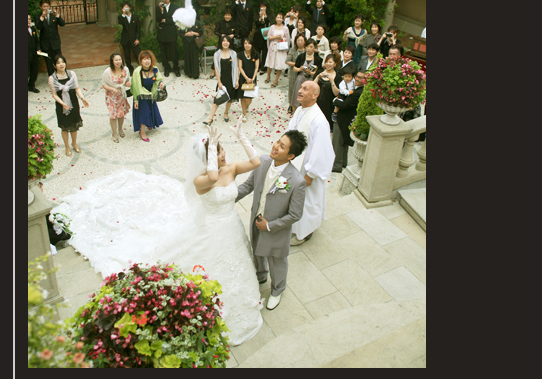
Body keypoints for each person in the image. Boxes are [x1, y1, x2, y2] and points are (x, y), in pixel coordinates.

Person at [48, 120, 267, 346]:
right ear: (206, 157)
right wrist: (212, 148)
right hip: (211, 228)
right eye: (218, 152)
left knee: (235, 264)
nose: (223, 155)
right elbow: (212, 178)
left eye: (221, 150)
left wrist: (242, 136)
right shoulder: (200, 180)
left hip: (230, 225)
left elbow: (256, 161)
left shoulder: (230, 169)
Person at [235, 130, 308, 311]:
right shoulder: (262, 161)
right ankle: (260, 276)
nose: (275, 146)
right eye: (277, 141)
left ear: (291, 156)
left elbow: (295, 214)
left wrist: (269, 226)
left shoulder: (297, 181)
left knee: (277, 260)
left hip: (275, 229)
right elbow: (248, 186)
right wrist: (227, 197)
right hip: (256, 220)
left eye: (282, 146)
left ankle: (277, 289)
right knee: (257, 250)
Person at [287, 81, 335, 245]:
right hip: (295, 164)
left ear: (315, 95)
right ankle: (294, 227)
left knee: (307, 202)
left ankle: (305, 233)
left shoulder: (319, 121)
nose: (300, 91)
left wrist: (311, 174)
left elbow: (322, 150)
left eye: (305, 89)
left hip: (307, 170)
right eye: (300, 87)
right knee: (296, 199)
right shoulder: (300, 110)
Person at [48, 54, 89, 156]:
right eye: (58, 63)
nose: (61, 64)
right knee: (65, 127)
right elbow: (54, 94)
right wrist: (62, 103)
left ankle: (74, 143)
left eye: (63, 62)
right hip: (61, 106)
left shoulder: (72, 74)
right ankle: (67, 146)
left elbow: (76, 88)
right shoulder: (52, 78)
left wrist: (83, 98)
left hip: (73, 103)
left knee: (74, 124)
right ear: (54, 65)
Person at [332, 70, 366, 173]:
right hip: (347, 120)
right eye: (357, 76)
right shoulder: (357, 89)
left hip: (344, 120)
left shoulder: (358, 92)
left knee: (337, 143)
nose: (357, 79)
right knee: (343, 142)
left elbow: (344, 105)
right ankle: (342, 163)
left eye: (360, 78)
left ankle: (336, 165)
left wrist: (335, 101)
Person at [131, 50, 164, 142]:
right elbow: (134, 87)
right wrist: (136, 101)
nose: (147, 61)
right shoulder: (137, 72)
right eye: (144, 59)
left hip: (151, 95)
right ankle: (142, 132)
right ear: (141, 61)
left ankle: (149, 123)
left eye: (148, 59)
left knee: (150, 110)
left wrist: (160, 83)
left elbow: (159, 79)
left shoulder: (154, 69)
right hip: (141, 97)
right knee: (144, 113)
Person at [206, 35, 239, 125]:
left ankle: (226, 113)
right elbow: (216, 68)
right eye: (223, 41)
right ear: (221, 42)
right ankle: (210, 118)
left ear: (230, 43)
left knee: (229, 98)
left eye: (227, 41)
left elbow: (236, 67)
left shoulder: (234, 53)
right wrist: (219, 82)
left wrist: (237, 80)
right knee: (217, 98)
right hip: (222, 79)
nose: (225, 42)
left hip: (231, 79)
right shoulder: (217, 54)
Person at [101, 53, 131, 143]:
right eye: (116, 60)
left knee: (121, 113)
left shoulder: (125, 69)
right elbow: (104, 85)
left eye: (120, 59)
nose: (118, 62)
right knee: (113, 115)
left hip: (121, 95)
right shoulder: (107, 72)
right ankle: (114, 133)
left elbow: (126, 81)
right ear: (112, 61)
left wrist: (127, 84)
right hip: (111, 97)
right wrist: (112, 89)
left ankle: (120, 129)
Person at [289, 38, 323, 112]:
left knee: (308, 98)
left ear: (315, 48)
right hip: (300, 78)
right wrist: (300, 69)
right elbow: (294, 68)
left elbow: (319, 72)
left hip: (311, 79)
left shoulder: (318, 59)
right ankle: (295, 113)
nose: (309, 49)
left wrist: (311, 73)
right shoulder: (301, 56)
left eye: (311, 47)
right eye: (308, 46)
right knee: (296, 97)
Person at [313, 53, 342, 129]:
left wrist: (332, 81)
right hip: (317, 102)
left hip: (329, 105)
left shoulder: (338, 77)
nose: (328, 64)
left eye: (330, 62)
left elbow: (336, 93)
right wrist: (318, 77)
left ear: (335, 64)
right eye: (327, 61)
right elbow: (312, 86)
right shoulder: (319, 72)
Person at [36, 0, 65, 76]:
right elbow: (38, 27)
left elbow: (62, 24)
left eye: (47, 6)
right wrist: (42, 17)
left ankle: (61, 76)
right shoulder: (38, 17)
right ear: (41, 7)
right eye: (44, 6)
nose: (46, 8)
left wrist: (57, 16)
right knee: (49, 63)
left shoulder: (53, 16)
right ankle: (52, 79)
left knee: (59, 61)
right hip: (46, 44)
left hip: (55, 43)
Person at [156, 0, 180, 77]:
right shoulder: (159, 8)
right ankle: (167, 68)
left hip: (171, 33)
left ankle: (176, 68)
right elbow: (158, 19)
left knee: (173, 52)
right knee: (164, 53)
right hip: (162, 33)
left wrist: (165, 20)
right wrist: (162, 11)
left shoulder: (175, 7)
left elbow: (175, 19)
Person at [264, 12, 290, 88]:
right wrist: (275, 37)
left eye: (280, 17)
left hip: (281, 47)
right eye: (277, 17)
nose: (279, 19)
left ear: (283, 19)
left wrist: (282, 38)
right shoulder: (272, 27)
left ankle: (276, 80)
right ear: (275, 18)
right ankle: (268, 76)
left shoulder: (285, 28)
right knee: (270, 63)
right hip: (273, 46)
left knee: (279, 64)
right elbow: (268, 37)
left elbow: (288, 39)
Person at [284, 33, 306, 115]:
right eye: (298, 40)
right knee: (292, 88)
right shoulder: (293, 50)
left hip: (303, 72)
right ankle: (291, 104)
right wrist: (297, 64)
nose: (300, 42)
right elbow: (287, 61)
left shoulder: (306, 50)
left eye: (301, 40)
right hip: (294, 72)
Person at [238, 38, 259, 123]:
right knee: (243, 97)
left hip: (252, 77)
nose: (247, 45)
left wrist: (253, 78)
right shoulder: (240, 54)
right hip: (243, 77)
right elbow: (240, 67)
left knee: (249, 98)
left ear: (252, 44)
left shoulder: (256, 54)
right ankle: (244, 114)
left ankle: (246, 107)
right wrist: (246, 78)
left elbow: (257, 67)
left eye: (249, 43)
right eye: (245, 43)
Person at [117, 2, 141, 73]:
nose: (126, 9)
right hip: (125, 40)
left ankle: (141, 68)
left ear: (130, 8)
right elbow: (120, 22)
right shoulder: (121, 17)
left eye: (127, 7)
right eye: (124, 7)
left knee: (138, 54)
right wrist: (123, 14)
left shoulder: (135, 17)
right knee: (127, 55)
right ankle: (130, 69)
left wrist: (137, 38)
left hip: (134, 39)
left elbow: (138, 29)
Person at [180, 15, 204, 80]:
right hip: (186, 42)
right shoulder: (183, 24)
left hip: (194, 42)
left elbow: (201, 33)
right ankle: (189, 73)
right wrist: (186, 34)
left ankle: (195, 74)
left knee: (194, 57)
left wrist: (194, 33)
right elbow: (180, 34)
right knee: (187, 56)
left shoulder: (197, 23)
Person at [27, 15, 42, 93]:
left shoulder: (33, 29)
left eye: (29, 19)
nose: (28, 21)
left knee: (34, 70)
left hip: (34, 54)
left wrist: (38, 48)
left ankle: (31, 85)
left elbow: (37, 41)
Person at [254, 3, 270, 75]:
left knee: (264, 52)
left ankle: (264, 68)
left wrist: (265, 16)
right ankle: (257, 66)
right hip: (258, 35)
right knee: (256, 51)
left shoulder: (269, 14)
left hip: (265, 34)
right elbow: (257, 23)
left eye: (264, 6)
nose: (262, 8)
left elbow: (268, 21)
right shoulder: (257, 14)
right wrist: (260, 16)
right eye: (261, 7)